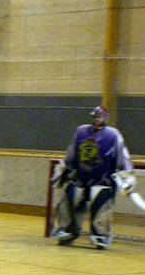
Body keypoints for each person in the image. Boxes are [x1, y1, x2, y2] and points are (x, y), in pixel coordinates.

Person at [51, 106, 135, 249]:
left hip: (103, 179)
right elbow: (72, 152)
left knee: (101, 208)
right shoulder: (81, 131)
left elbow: (122, 156)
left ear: (106, 118)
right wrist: (64, 168)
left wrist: (126, 175)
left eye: (101, 117)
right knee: (69, 202)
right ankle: (68, 231)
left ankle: (100, 235)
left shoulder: (113, 134)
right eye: (96, 117)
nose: (98, 120)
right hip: (80, 178)